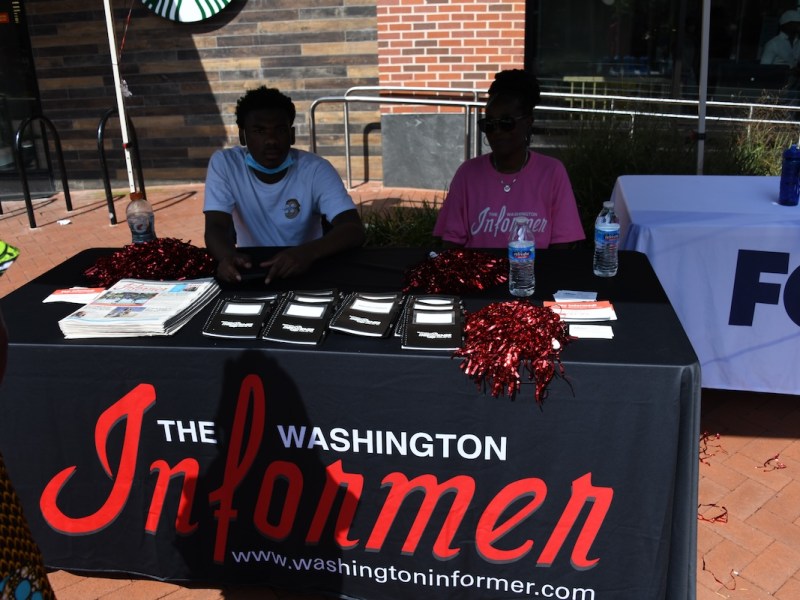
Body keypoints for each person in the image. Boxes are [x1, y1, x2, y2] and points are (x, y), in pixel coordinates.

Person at [204, 86, 365, 284]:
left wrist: (307, 253)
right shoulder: (226, 164)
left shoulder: (316, 169)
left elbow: (353, 228)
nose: (271, 140)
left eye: (280, 130)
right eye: (259, 131)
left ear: (292, 134)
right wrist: (228, 257)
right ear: (243, 136)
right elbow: (215, 226)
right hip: (250, 269)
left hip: (306, 267)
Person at [433, 69, 585, 250]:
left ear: (528, 122)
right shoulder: (467, 173)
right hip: (480, 276)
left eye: (506, 123)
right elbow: (451, 244)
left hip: (535, 275)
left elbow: (562, 245)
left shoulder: (552, 172)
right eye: (489, 124)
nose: (496, 132)